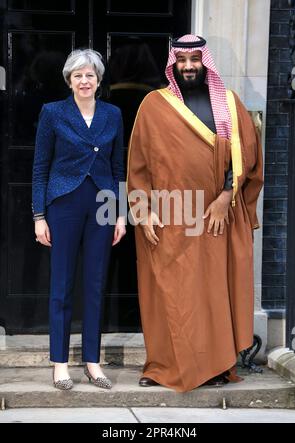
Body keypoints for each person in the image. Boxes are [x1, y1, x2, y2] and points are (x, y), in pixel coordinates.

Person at [127, 35, 263, 392]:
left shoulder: (230, 106)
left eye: (195, 59)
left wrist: (225, 197)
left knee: (211, 293)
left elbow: (246, 158)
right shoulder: (153, 106)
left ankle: (216, 366)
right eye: (182, 59)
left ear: (206, 62)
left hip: (215, 216)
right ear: (174, 63)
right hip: (168, 216)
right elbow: (138, 165)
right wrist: (142, 210)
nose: (189, 65)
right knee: (167, 294)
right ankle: (161, 367)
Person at [32, 49, 126, 390]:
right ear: (69, 80)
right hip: (64, 205)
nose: (84, 81)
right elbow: (40, 167)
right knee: (61, 285)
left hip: (102, 204)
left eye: (90, 75)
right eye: (78, 75)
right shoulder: (53, 113)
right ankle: (59, 364)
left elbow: (118, 168)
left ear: (98, 80)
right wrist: (39, 216)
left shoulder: (113, 114)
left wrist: (121, 215)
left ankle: (92, 361)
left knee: (95, 283)